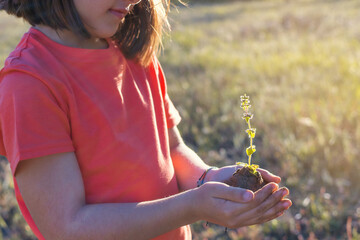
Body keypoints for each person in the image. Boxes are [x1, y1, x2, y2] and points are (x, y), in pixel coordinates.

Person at [0, 0, 292, 239]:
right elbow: (69, 227)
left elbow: (173, 149)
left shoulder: (132, 52)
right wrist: (192, 206)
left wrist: (208, 179)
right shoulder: (30, 84)